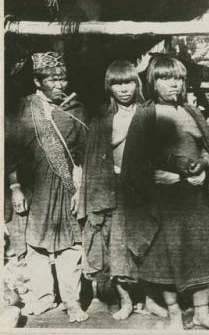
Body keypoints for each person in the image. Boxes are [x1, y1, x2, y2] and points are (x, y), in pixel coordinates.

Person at [120, 56, 209, 330]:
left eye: (178, 78)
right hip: (162, 201)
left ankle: (202, 313)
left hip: (194, 196)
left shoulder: (191, 111)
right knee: (165, 258)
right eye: (166, 78)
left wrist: (203, 168)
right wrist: (154, 176)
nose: (174, 84)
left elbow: (207, 148)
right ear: (154, 82)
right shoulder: (146, 113)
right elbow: (134, 160)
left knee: (201, 252)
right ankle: (175, 315)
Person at [79, 60, 168, 320]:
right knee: (116, 247)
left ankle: (151, 299)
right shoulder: (102, 116)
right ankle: (126, 301)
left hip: (144, 188)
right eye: (117, 83)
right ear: (109, 87)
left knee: (149, 244)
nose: (124, 88)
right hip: (111, 189)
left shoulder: (149, 112)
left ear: (136, 83)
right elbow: (92, 157)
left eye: (128, 82)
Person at [6, 52, 88, 322]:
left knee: (71, 245)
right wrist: (15, 186)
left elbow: (85, 155)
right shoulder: (22, 109)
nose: (60, 84)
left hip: (68, 187)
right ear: (37, 81)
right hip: (34, 188)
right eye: (52, 79)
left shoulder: (75, 110)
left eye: (63, 78)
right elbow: (11, 151)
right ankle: (43, 298)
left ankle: (72, 301)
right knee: (35, 245)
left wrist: (79, 187)